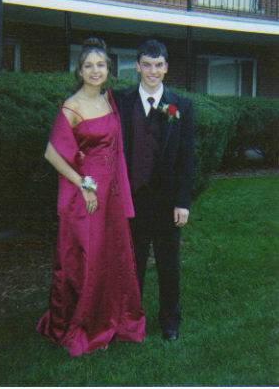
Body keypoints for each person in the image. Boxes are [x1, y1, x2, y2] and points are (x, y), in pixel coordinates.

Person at [37, 38, 145, 357]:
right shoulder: (72, 106)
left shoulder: (109, 100)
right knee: (87, 258)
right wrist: (83, 184)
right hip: (85, 195)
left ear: (108, 69)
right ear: (79, 71)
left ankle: (111, 316)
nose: (95, 71)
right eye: (88, 65)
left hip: (109, 193)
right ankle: (83, 323)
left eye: (100, 65)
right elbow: (52, 153)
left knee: (112, 256)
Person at [115, 39, 194, 341]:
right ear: (137, 66)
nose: (152, 71)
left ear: (166, 68)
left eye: (158, 65)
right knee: (131, 266)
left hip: (166, 202)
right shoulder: (121, 102)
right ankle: (131, 320)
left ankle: (170, 320)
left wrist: (183, 202)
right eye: (146, 64)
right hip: (131, 200)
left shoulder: (180, 106)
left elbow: (187, 158)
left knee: (168, 264)